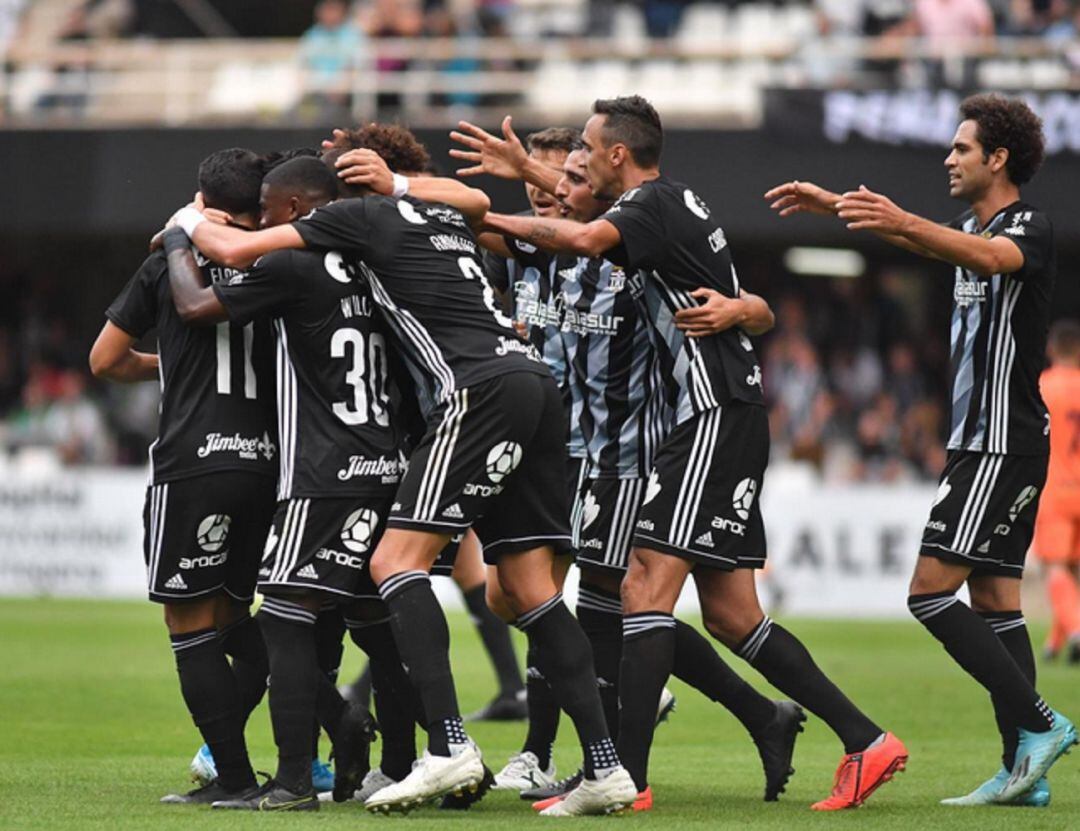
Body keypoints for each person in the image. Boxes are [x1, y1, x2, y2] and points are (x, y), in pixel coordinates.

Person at [164, 146, 639, 816]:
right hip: (534, 381)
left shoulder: (355, 220)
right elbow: (477, 202)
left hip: (473, 391)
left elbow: (233, 253)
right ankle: (605, 766)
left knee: (393, 562)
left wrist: (187, 219)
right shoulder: (442, 211)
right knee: (531, 589)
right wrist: (404, 181)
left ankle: (446, 746)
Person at [483, 95, 906, 812]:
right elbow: (587, 217)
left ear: (620, 154)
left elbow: (583, 235)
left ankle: (621, 779)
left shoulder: (648, 205)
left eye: (588, 147)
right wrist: (744, 308)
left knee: (640, 590)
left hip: (706, 412)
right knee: (734, 614)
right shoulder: (669, 204)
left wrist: (450, 211)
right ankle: (866, 740)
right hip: (722, 412)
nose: (579, 161)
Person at [765, 92, 1077, 806]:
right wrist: (836, 206)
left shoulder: (1025, 224)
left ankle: (1040, 722)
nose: (948, 156)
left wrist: (901, 219)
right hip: (983, 441)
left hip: (1001, 443)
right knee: (996, 599)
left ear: (997, 158)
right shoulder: (969, 226)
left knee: (929, 593)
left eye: (961, 147)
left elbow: (988, 255)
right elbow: (928, 240)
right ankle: (1022, 770)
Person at [88, 148, 277, 805]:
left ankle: (233, 777)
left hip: (194, 463)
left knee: (189, 626)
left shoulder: (167, 264)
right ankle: (331, 715)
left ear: (202, 202)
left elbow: (106, 359)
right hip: (265, 463)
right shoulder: (282, 264)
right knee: (232, 617)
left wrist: (167, 360)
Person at [1033, 319, 1080, 663]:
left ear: (1051, 349)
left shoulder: (1043, 387)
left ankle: (1077, 630)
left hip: (1055, 488)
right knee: (1074, 570)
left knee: (1055, 568)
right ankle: (1054, 642)